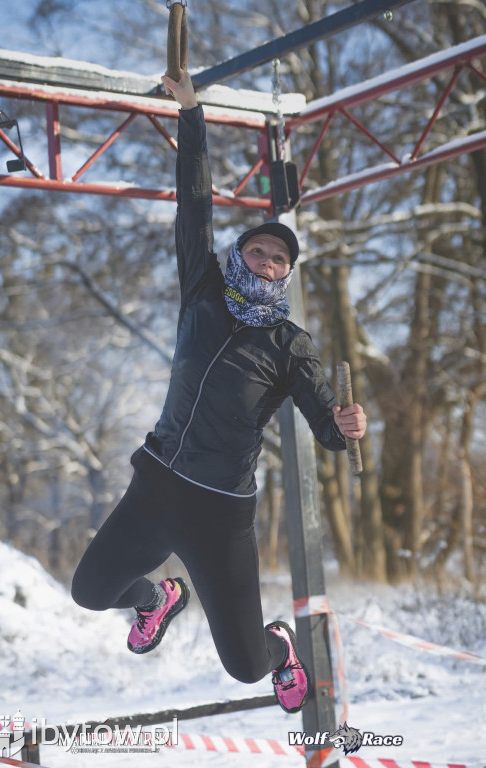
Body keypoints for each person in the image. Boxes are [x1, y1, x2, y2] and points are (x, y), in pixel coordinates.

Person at [71, 71, 366, 715]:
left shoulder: (292, 343)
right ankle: (159, 599)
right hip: (157, 483)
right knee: (91, 590)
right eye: (257, 249)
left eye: (278, 258)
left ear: (286, 274)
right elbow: (194, 204)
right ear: (239, 256)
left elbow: (324, 428)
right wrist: (192, 116)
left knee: (244, 666)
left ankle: (281, 649)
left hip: (220, 511)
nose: (266, 259)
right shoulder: (202, 290)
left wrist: (344, 427)